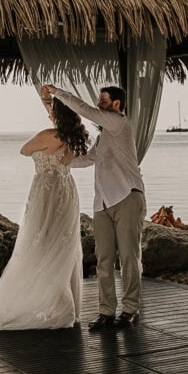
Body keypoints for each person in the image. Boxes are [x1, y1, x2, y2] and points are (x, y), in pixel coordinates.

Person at [41, 83, 146, 330]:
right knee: (104, 259)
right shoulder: (103, 137)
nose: (99, 104)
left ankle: (130, 309)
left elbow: (85, 110)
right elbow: (88, 159)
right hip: (102, 203)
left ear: (116, 104)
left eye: (103, 100)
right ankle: (106, 312)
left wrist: (58, 92)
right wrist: (57, 162)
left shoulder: (120, 123)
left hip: (127, 196)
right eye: (99, 101)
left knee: (130, 257)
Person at [0, 95, 89, 330]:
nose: (48, 114)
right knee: (61, 246)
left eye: (51, 111)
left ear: (57, 115)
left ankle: (45, 303)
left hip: (46, 192)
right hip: (66, 191)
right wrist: (50, 101)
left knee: (39, 242)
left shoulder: (47, 135)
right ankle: (61, 303)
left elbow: (24, 150)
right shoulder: (75, 136)